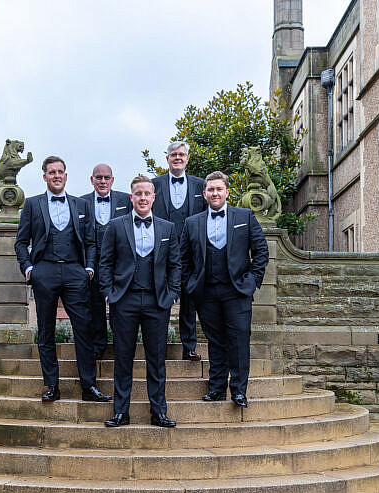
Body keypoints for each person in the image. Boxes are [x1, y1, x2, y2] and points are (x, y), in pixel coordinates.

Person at [14, 155, 111, 403]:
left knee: (84, 329)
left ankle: (89, 387)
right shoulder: (33, 205)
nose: (56, 176)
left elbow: (90, 241)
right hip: (43, 272)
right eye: (51, 172)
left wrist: (88, 268)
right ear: (44, 176)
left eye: (60, 172)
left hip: (74, 273)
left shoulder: (81, 205)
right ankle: (52, 386)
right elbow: (21, 242)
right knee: (45, 331)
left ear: (66, 176)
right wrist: (29, 269)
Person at [98, 175, 181, 428]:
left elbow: (175, 264)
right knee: (123, 358)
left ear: (153, 197)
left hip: (158, 302)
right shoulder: (115, 225)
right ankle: (121, 412)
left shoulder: (168, 228)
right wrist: (109, 293)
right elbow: (105, 263)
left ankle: (159, 412)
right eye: (138, 194)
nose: (143, 198)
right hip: (125, 300)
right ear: (131, 197)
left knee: (157, 360)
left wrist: (172, 293)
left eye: (147, 193)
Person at [182, 171, 268, 408]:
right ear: (204, 194)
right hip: (206, 293)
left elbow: (261, 253)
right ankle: (217, 388)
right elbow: (184, 260)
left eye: (219, 189)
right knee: (215, 341)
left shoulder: (245, 216)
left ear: (227, 192)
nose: (215, 193)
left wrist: (250, 283)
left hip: (237, 291)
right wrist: (191, 285)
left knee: (239, 341)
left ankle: (239, 391)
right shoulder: (192, 223)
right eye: (211, 190)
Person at [151, 141, 206, 361]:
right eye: (173, 154)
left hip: (190, 254)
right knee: (160, 300)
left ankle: (189, 347)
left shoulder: (200, 185)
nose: (177, 158)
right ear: (167, 159)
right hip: (161, 254)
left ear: (187, 158)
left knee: (189, 302)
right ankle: (158, 347)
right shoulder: (154, 185)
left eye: (181, 154)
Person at [80, 163, 131, 359]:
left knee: (120, 305)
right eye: (98, 177)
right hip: (92, 263)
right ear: (92, 180)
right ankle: (97, 347)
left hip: (118, 264)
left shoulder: (126, 200)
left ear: (112, 180)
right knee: (95, 305)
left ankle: (122, 346)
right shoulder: (81, 202)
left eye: (106, 177)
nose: (102, 181)